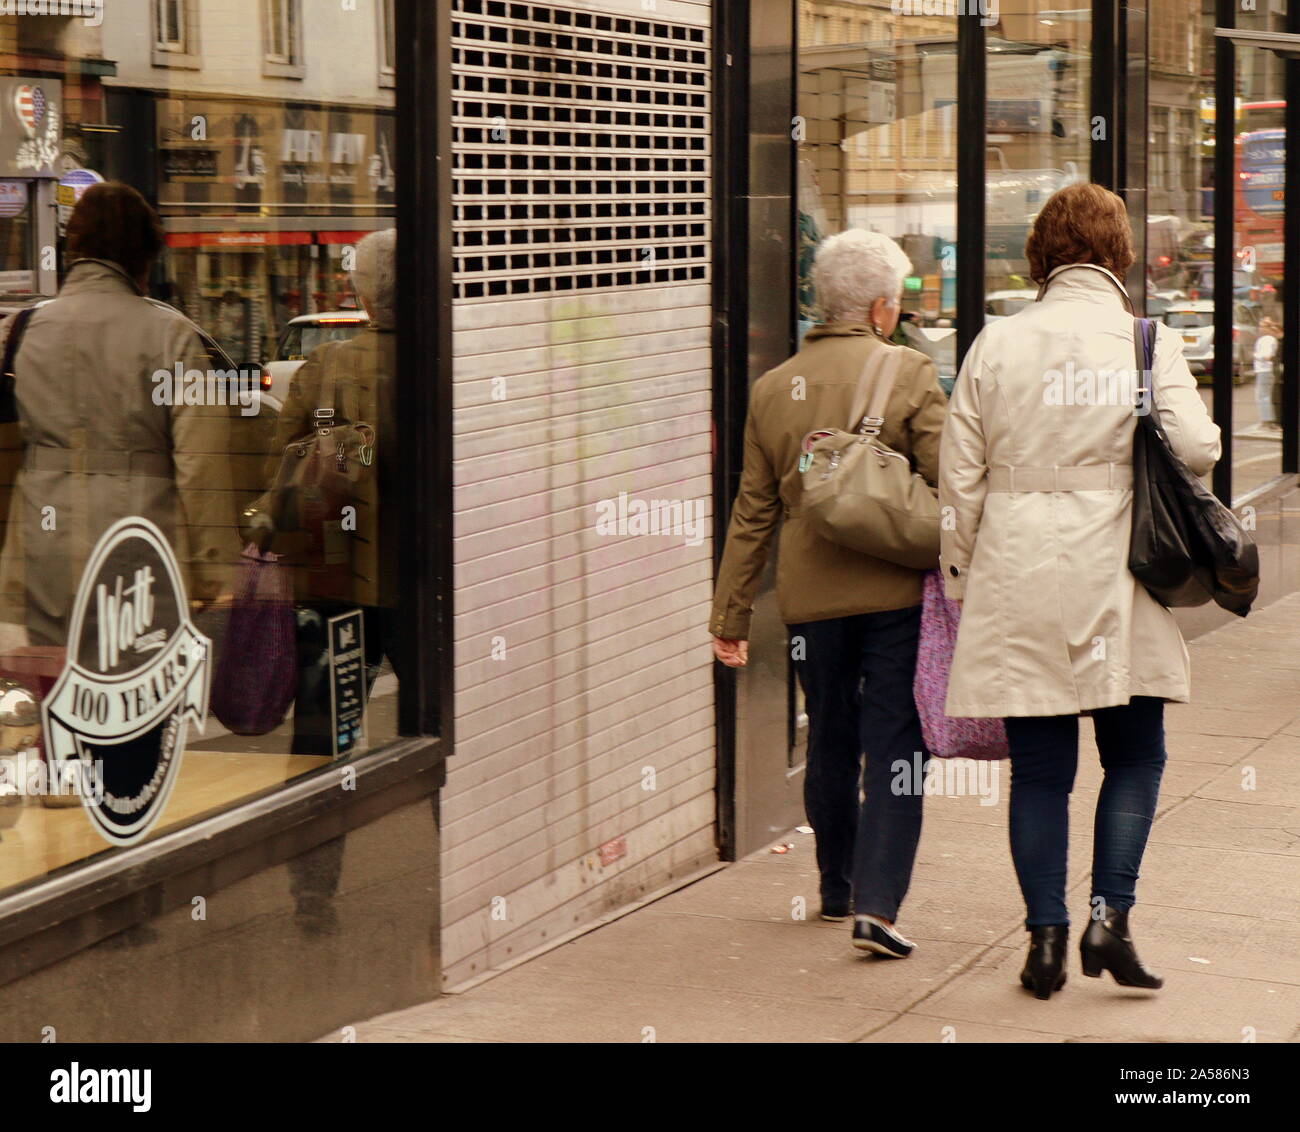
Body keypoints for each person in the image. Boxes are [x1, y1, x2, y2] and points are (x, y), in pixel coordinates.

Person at [939, 183, 1221, 999]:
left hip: (1018, 573)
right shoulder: (1144, 340)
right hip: (1119, 575)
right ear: (1118, 251)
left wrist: (963, 586)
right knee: (1135, 753)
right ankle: (1110, 916)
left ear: (1041, 255)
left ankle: (1045, 940)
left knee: (1040, 772)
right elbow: (1198, 448)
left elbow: (961, 485)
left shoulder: (995, 344)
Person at [710, 229, 947, 957]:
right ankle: (878, 905)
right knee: (895, 744)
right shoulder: (909, 371)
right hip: (895, 595)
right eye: (898, 301)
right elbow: (951, 480)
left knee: (830, 738)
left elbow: (752, 509)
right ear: (879, 307)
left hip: (809, 603)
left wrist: (731, 612)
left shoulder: (773, 386)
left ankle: (836, 886)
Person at [0, 181, 237, 646]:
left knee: (51, 697)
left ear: (75, 249)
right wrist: (216, 574)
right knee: (132, 697)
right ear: (143, 259)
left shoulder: (19, 332)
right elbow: (201, 465)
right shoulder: (172, 337)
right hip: (141, 552)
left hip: (39, 549)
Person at [263, 228, 401, 754]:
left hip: (339, 574)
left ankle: (320, 828)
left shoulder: (324, 367)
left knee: (324, 738)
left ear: (362, 295)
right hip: (421, 574)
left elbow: (285, 463)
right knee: (446, 730)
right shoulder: (446, 362)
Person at [1252, 316, 1281, 436]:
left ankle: (1268, 421)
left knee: (1263, 396)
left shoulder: (1268, 339)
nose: (1260, 328)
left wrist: (1255, 355)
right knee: (1263, 395)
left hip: (1265, 370)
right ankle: (1266, 420)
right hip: (1263, 370)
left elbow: (1267, 356)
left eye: (1262, 326)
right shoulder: (1266, 339)